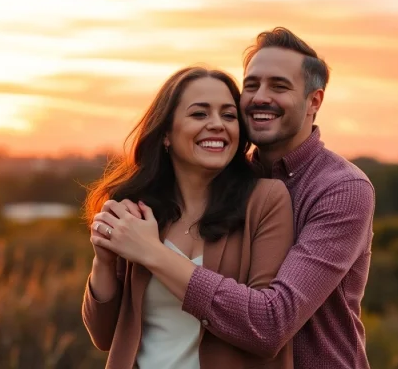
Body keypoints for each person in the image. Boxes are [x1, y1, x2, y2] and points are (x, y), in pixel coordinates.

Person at [106, 27, 376, 368]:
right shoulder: (226, 186)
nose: (260, 97)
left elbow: (272, 322)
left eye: (279, 86)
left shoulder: (341, 188)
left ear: (314, 102)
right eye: (251, 85)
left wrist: (153, 253)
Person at [81, 67, 295, 369]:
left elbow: (264, 328)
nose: (217, 125)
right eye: (199, 114)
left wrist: (152, 253)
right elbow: (105, 336)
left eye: (229, 116)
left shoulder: (265, 200)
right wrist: (102, 260)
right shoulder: (138, 212)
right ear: (166, 134)